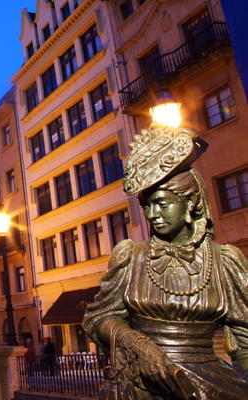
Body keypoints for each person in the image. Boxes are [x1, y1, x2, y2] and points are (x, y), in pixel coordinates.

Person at [83, 125, 248, 399]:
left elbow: (245, 339)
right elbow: (98, 317)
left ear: (191, 203)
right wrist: (132, 340)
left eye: (162, 203)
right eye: (146, 205)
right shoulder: (130, 258)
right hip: (141, 386)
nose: (152, 214)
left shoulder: (224, 261)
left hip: (210, 384)